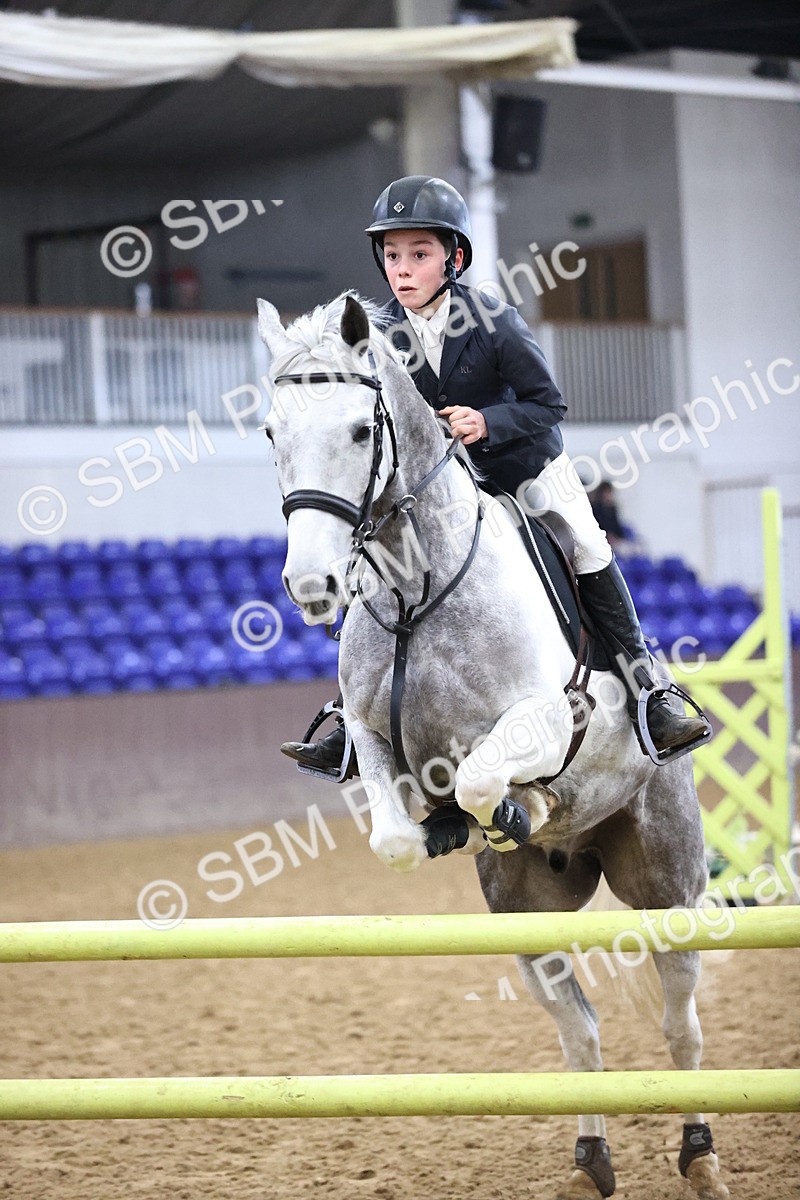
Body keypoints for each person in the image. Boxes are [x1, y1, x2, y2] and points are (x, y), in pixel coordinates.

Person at [281, 175, 707, 778]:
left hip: (524, 469)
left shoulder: (491, 318)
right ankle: (355, 723)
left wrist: (486, 422)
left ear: (453, 259)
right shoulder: (382, 342)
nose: (402, 270)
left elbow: (548, 404)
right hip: (443, 491)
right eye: (393, 255)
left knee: (588, 545)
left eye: (419, 255)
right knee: (376, 563)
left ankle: (649, 694)